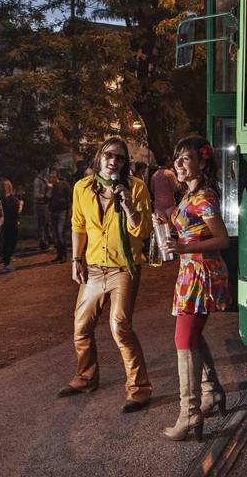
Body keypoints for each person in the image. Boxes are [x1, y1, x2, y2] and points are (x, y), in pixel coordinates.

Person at [59, 136, 153, 413]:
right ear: (99, 157)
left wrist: (127, 205)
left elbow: (143, 231)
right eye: (109, 155)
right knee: (80, 327)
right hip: (94, 268)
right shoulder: (82, 188)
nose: (113, 161)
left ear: (125, 163)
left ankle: (139, 388)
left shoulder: (135, 188)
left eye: (120, 157)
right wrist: (76, 259)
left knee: (120, 328)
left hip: (123, 268)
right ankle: (86, 377)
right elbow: (78, 225)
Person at [157, 136, 230, 442]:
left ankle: (190, 415)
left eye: (186, 158)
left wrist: (184, 246)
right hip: (189, 271)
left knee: (184, 338)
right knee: (192, 335)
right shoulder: (188, 195)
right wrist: (166, 224)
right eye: (177, 159)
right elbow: (190, 229)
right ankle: (211, 393)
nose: (180, 164)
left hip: (202, 272)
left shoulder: (205, 197)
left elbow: (222, 240)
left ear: (202, 162)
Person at [0, 178, 23, 273]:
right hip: (12, 223)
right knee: (11, 243)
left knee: (6, 243)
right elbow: (17, 211)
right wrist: (21, 205)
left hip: (5, 223)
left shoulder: (1, 199)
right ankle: (7, 264)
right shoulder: (13, 199)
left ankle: (6, 262)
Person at [48, 171, 72, 263]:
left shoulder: (64, 185)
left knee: (60, 232)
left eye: (53, 177)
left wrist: (69, 209)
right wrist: (49, 191)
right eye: (50, 177)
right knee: (55, 234)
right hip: (53, 211)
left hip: (62, 211)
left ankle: (64, 255)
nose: (52, 179)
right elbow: (47, 199)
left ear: (57, 177)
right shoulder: (50, 187)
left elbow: (70, 196)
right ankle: (59, 254)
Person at [33, 168, 53, 250]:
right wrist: (45, 195)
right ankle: (43, 242)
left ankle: (49, 240)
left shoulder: (45, 179)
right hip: (40, 204)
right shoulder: (38, 180)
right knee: (42, 224)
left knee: (47, 223)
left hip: (45, 204)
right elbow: (36, 194)